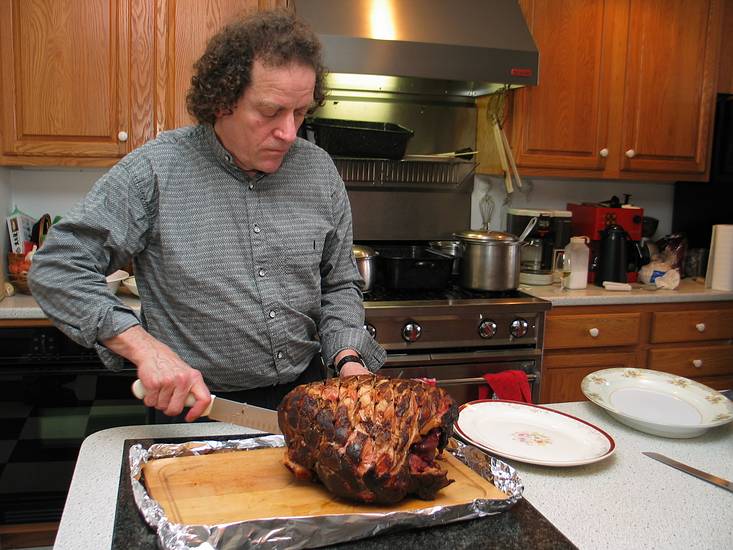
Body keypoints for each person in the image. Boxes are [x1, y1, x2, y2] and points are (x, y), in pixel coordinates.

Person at [28, 10, 385, 422]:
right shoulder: (155, 171)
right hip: (198, 409)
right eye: (270, 112)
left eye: (301, 112)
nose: (289, 132)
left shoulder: (318, 171)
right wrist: (143, 346)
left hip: (305, 398)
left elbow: (338, 282)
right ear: (221, 101)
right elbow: (57, 268)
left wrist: (347, 358)